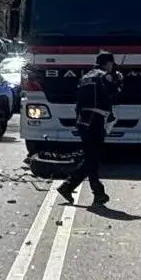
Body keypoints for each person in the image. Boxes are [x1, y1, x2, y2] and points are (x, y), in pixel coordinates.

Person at [57, 51, 123, 207]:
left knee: (91, 157)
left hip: (83, 120)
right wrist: (119, 81)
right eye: (112, 64)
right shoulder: (103, 76)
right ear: (108, 63)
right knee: (92, 157)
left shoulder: (86, 76)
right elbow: (113, 94)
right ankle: (70, 186)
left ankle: (96, 193)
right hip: (95, 120)